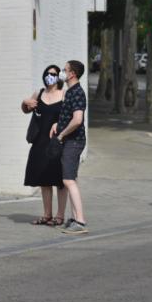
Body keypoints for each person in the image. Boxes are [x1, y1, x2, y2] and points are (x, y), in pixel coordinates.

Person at [22, 64, 67, 226]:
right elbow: (27, 109)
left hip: (58, 142)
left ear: (58, 77)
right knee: (44, 180)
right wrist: (25, 102)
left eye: (54, 74)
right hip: (40, 142)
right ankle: (47, 214)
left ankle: (60, 216)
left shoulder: (63, 94)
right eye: (48, 73)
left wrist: (59, 125)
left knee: (60, 180)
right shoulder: (39, 93)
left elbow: (70, 116)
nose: (50, 76)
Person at [50, 60, 88, 234]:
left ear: (72, 74)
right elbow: (68, 116)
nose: (61, 73)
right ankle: (74, 218)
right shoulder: (70, 92)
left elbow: (77, 119)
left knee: (68, 180)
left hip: (73, 141)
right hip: (69, 140)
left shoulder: (77, 93)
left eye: (65, 70)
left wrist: (62, 134)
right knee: (70, 178)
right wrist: (58, 124)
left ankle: (80, 221)